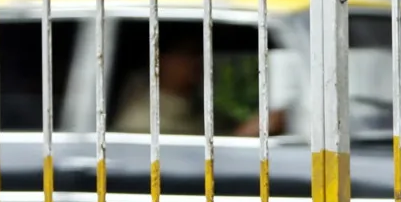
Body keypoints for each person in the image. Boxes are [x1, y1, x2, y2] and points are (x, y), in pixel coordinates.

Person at [112, 35, 290, 137]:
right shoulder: (143, 116)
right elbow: (183, 161)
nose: (198, 63)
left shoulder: (192, 107)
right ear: (161, 61)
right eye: (187, 56)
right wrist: (243, 134)